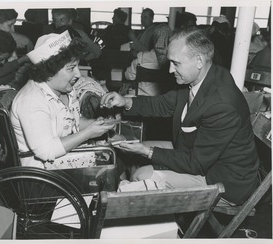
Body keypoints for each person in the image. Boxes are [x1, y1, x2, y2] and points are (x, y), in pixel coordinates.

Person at [101, 26, 259, 205]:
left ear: (199, 61)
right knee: (136, 153)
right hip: (199, 155)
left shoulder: (222, 104)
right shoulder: (202, 76)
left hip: (222, 180)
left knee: (141, 173)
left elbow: (196, 164)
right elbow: (163, 104)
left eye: (176, 63)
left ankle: (154, 223)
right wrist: (126, 101)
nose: (170, 70)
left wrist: (147, 151)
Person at [10, 31, 115, 169]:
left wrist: (95, 124)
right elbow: (46, 151)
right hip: (42, 173)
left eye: (77, 66)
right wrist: (89, 133)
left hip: (62, 162)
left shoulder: (65, 90)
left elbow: (71, 122)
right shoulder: (31, 100)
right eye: (71, 68)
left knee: (113, 157)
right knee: (111, 163)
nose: (78, 74)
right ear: (49, 73)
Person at [125, 24, 172, 96]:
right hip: (162, 99)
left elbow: (129, 75)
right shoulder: (173, 61)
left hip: (140, 98)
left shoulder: (142, 57)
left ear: (154, 39)